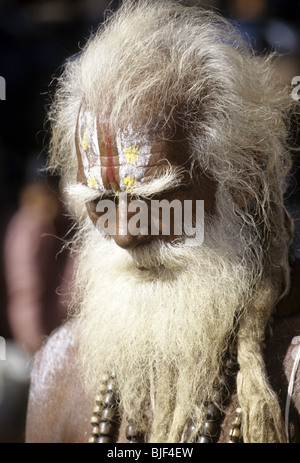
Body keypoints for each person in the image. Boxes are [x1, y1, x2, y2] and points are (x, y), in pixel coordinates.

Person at [25, 0, 300, 443]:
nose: (124, 234)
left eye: (155, 198)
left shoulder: (291, 375)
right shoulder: (59, 367)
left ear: (245, 175)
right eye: (101, 202)